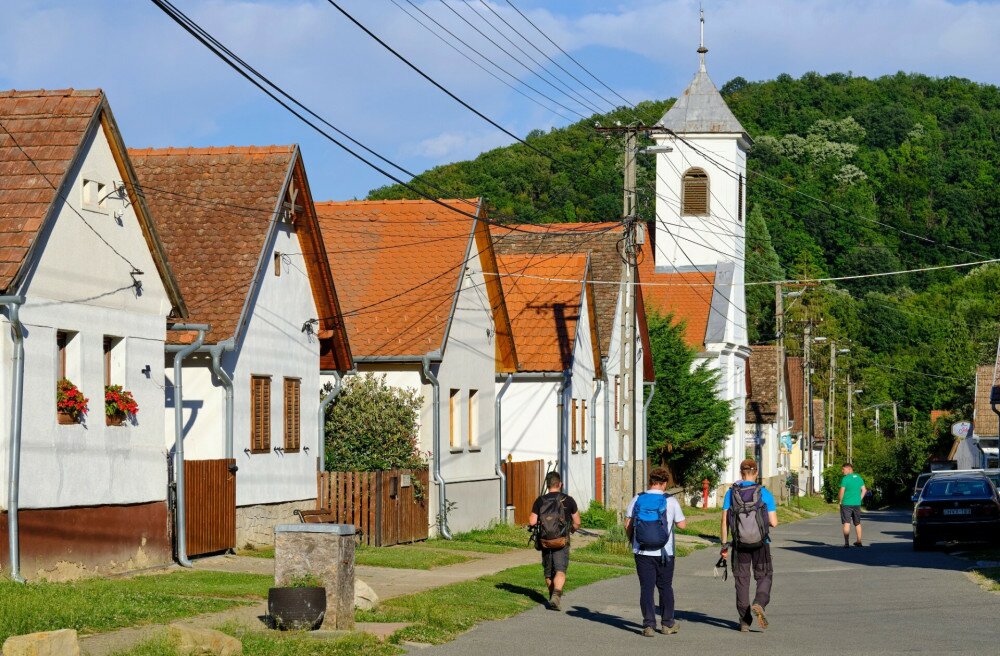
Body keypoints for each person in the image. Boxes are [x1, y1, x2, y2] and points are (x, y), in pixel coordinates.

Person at [625, 467, 687, 637]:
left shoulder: (638, 498)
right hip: (665, 552)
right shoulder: (671, 501)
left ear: (650, 482)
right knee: (665, 587)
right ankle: (667, 624)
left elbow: (627, 524)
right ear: (665, 483)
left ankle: (649, 626)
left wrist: (632, 540)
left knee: (646, 588)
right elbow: (682, 525)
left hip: (642, 551)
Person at [720, 459, 778, 632]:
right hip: (761, 543)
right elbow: (774, 522)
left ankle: (744, 621)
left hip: (739, 545)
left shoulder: (731, 493)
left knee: (741, 581)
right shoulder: (764, 493)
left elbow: (724, 521)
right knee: (764, 576)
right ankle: (759, 602)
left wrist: (724, 545)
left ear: (740, 473)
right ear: (757, 473)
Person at [529, 471, 581, 611]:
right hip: (561, 541)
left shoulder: (540, 500)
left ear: (547, 485)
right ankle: (556, 596)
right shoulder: (568, 500)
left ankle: (552, 596)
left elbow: (532, 521)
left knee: (548, 572)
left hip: (545, 541)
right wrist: (571, 530)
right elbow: (577, 522)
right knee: (560, 570)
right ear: (560, 484)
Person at [838, 463, 867, 547]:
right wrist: (859, 499)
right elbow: (864, 490)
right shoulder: (859, 477)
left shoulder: (845, 479)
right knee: (857, 523)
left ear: (849, 469)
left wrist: (840, 501)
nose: (842, 471)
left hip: (846, 504)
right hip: (857, 504)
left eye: (843, 469)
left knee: (847, 523)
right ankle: (859, 541)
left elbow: (842, 491)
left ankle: (847, 543)